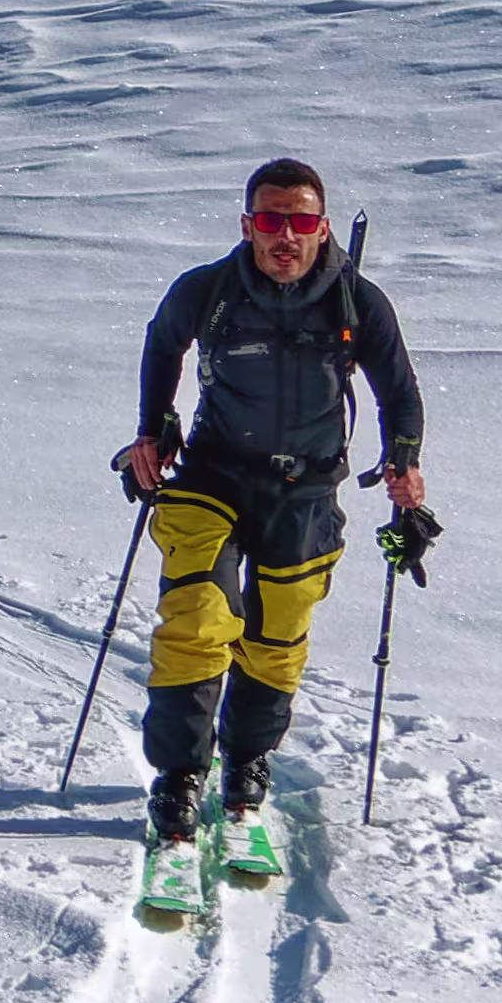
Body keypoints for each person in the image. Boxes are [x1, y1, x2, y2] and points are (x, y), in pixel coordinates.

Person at [114, 157, 428, 891]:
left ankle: (245, 767)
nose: (284, 236)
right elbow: (164, 342)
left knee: (278, 635)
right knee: (196, 619)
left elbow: (399, 392)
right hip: (214, 478)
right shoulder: (209, 290)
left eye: (300, 221)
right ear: (247, 224)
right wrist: (154, 426)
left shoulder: (358, 302)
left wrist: (405, 462)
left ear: (323, 227)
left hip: (308, 489)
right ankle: (180, 781)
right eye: (269, 220)